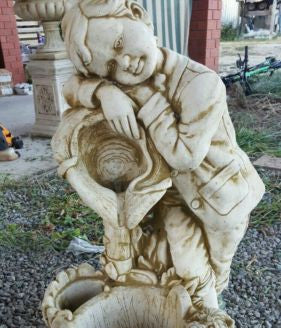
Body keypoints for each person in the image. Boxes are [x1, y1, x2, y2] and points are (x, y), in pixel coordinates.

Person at [60, 0, 265, 305]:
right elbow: (71, 85)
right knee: (189, 265)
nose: (124, 63)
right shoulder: (120, 82)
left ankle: (211, 323)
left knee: (219, 268)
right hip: (172, 196)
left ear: (138, 15)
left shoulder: (203, 84)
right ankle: (197, 319)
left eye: (118, 43)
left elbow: (184, 155)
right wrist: (104, 92)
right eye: (111, 67)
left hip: (222, 200)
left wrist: (146, 98)